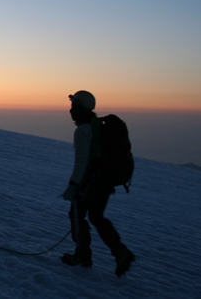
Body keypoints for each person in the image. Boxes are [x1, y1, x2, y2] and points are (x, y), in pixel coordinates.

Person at [61, 90, 135, 277]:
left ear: (80, 108)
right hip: (105, 181)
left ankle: (82, 256)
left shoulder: (83, 131)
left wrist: (73, 186)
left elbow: (82, 163)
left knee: (77, 215)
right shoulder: (98, 126)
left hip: (91, 182)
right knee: (96, 216)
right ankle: (120, 252)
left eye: (74, 106)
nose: (71, 110)